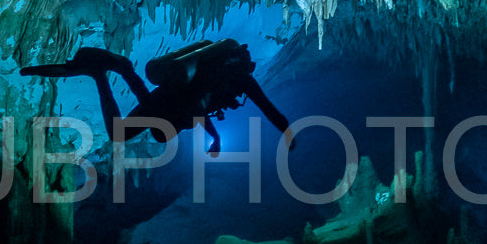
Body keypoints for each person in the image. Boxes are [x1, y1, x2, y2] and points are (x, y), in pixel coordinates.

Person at [21, 39, 294, 155]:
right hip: (175, 103)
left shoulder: (233, 77)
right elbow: (269, 110)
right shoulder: (242, 81)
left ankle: (101, 73)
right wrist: (216, 137)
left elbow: (270, 111)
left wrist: (215, 137)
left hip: (170, 95)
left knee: (123, 130)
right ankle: (117, 69)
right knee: (149, 122)